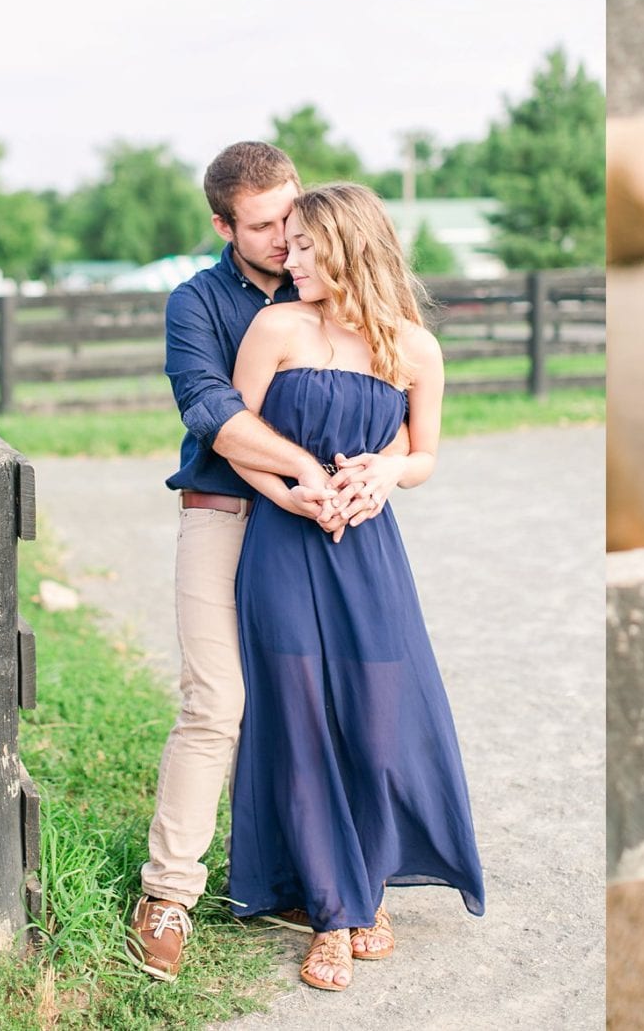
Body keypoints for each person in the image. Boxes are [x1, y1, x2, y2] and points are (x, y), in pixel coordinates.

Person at [224, 181, 484, 991]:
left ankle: (370, 884)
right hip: (281, 545)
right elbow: (238, 442)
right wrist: (294, 492)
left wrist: (383, 474)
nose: (288, 258)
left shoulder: (414, 349)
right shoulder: (275, 328)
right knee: (299, 722)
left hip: (369, 553)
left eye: (305, 246)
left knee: (377, 722)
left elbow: (424, 456)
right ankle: (336, 915)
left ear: (349, 247)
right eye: (286, 244)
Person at [129, 142, 377, 982]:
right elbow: (213, 411)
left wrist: (370, 479)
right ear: (223, 225)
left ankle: (308, 880)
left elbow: (389, 403)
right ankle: (167, 894)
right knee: (217, 701)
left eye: (292, 215)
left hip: (319, 527)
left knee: (314, 702)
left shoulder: (339, 290)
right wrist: (301, 469)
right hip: (226, 513)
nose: (284, 237)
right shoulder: (195, 303)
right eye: (264, 225)